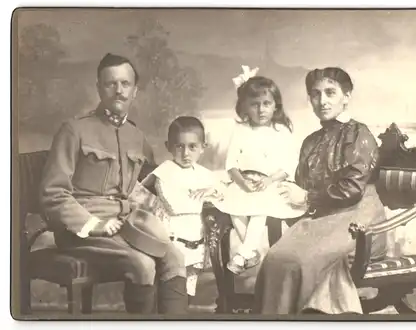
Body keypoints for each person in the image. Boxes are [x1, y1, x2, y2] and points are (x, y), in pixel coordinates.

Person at [39, 53, 188, 314]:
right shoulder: (74, 130)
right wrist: (95, 224)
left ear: (135, 91)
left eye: (125, 84)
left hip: (127, 225)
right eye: (111, 84)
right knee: (142, 264)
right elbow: (53, 194)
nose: (119, 90)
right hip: (82, 229)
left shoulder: (136, 136)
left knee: (175, 258)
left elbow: (150, 184)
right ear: (99, 88)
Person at [252, 67, 388, 314]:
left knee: (300, 261)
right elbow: (301, 186)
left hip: (360, 220)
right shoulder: (311, 141)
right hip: (321, 218)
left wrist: (305, 197)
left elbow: (352, 189)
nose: (322, 101)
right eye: (315, 94)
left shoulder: (359, 134)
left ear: (346, 96)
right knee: (275, 258)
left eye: (330, 93)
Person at [222, 72, 307, 275]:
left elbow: (289, 164)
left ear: (275, 105)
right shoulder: (240, 130)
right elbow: (231, 163)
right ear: (245, 107)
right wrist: (241, 182)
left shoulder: (281, 131)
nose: (261, 109)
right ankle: (252, 250)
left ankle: (243, 253)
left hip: (272, 183)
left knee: (260, 208)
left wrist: (269, 179)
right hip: (245, 181)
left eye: (266, 103)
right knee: (234, 206)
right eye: (255, 104)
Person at [142, 116, 225, 301]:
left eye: (192, 147)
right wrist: (207, 199)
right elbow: (175, 205)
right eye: (179, 146)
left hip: (195, 242)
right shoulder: (165, 172)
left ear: (203, 147)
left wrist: (212, 191)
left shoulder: (204, 174)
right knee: (169, 292)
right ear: (169, 146)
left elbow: (224, 192)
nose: (186, 153)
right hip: (172, 243)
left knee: (186, 296)